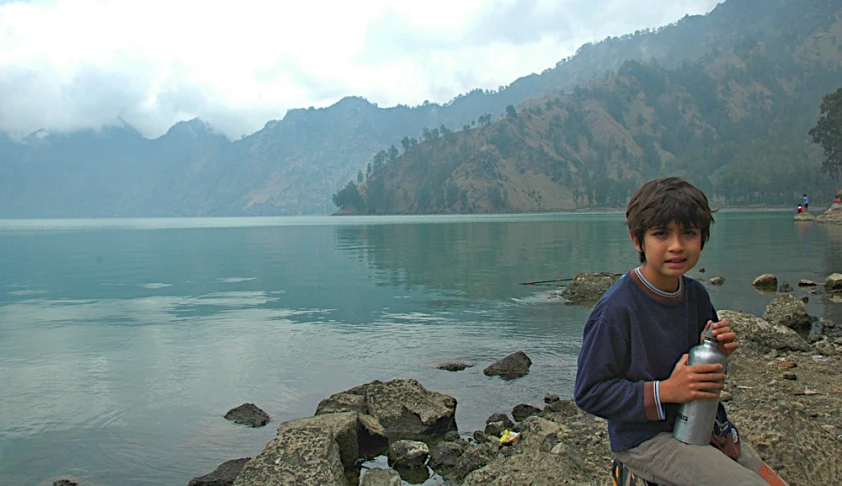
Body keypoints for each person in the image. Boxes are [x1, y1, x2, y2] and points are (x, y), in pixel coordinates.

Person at [574, 177, 788, 486]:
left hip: (698, 424)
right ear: (638, 240)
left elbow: (697, 370)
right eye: (661, 234)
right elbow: (589, 392)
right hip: (645, 439)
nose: (677, 246)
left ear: (702, 238)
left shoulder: (696, 296)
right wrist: (666, 391)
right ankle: (632, 472)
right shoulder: (616, 310)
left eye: (688, 233)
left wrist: (718, 353)